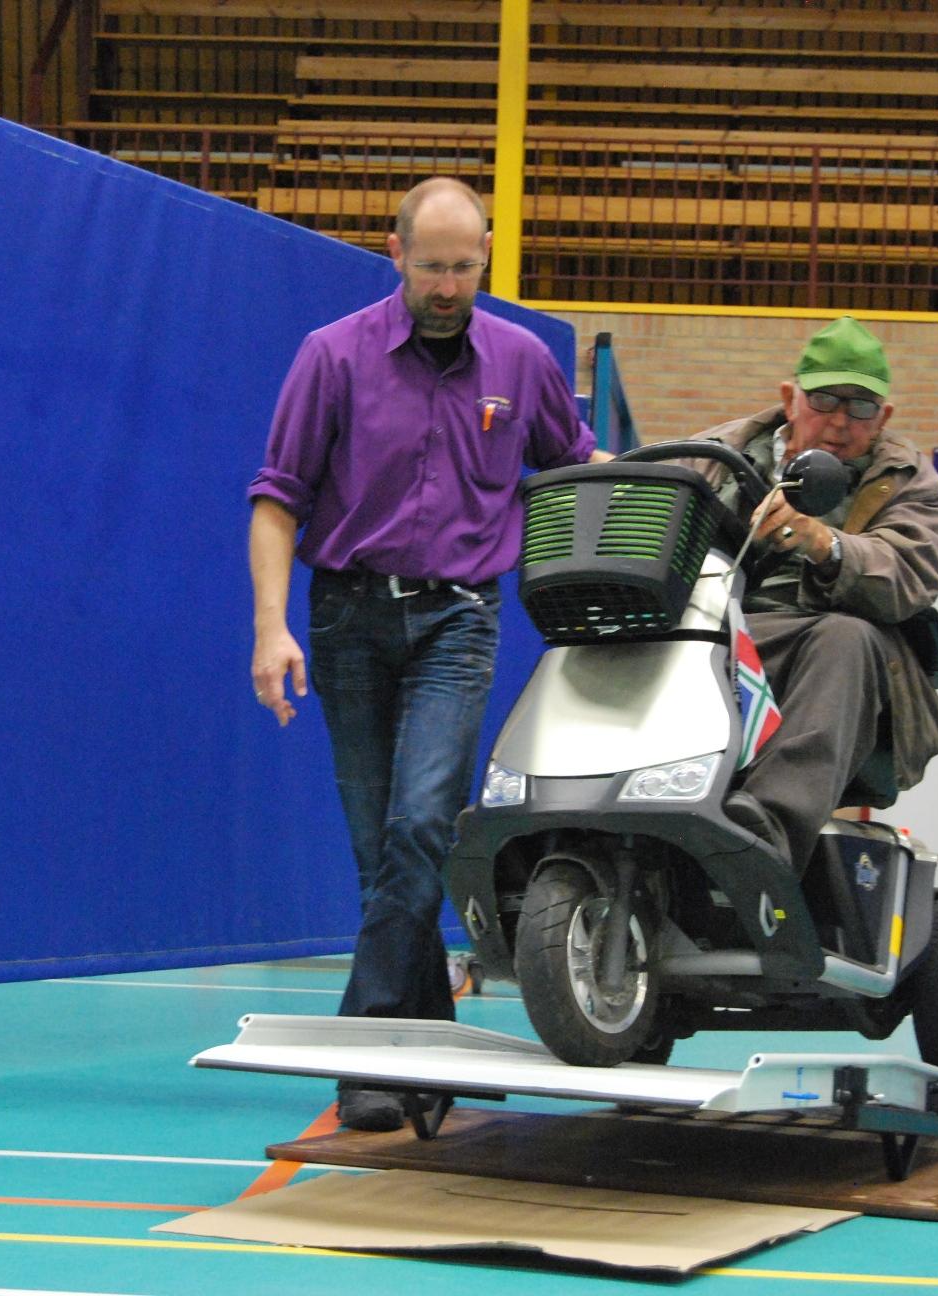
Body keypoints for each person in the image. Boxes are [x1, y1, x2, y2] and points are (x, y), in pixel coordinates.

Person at [247, 177, 605, 1131]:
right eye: (433, 267)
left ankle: (363, 1050)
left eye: (466, 268)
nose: (449, 287)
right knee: (379, 853)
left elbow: (574, 465)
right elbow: (277, 497)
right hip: (348, 618)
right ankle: (431, 1043)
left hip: (459, 620)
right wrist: (271, 627)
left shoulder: (520, 361)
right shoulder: (332, 356)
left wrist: (678, 483)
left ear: (486, 258)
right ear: (396, 253)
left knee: (418, 827)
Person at [692, 315, 938, 880]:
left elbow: (911, 574)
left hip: (823, 649)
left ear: (883, 417)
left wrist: (823, 542)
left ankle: (765, 835)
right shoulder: (713, 454)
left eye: (860, 407)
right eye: (825, 399)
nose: (839, 420)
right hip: (714, 634)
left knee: (845, 636)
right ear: (791, 399)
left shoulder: (909, 480)